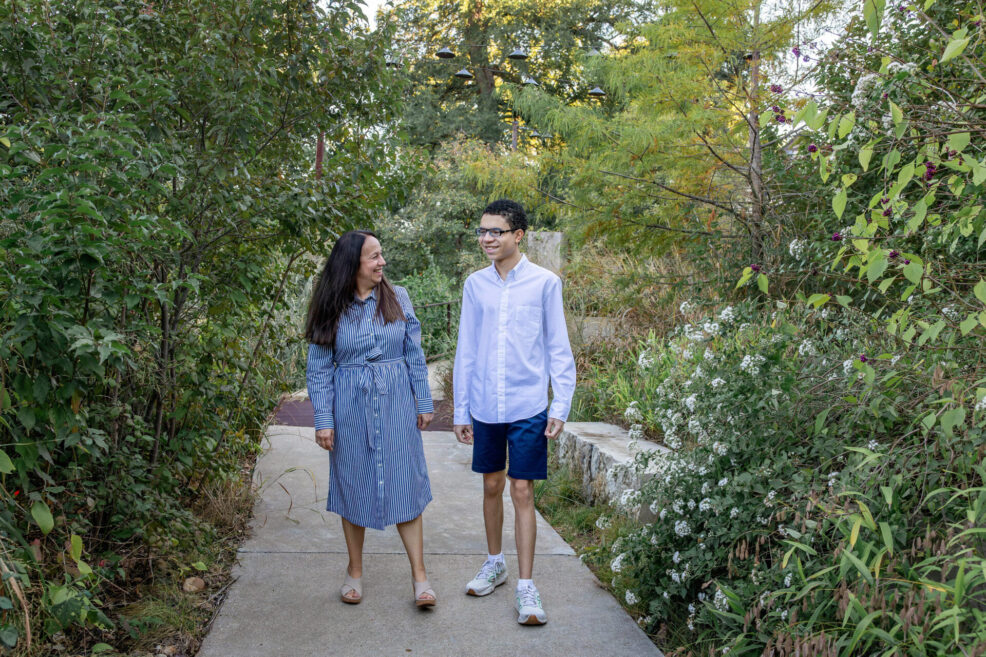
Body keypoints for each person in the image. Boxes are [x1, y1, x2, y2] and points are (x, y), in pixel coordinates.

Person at [453, 199, 576, 625]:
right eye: (482, 231)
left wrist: (560, 404)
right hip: (486, 403)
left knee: (521, 490)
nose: (487, 238)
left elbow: (558, 347)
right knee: (491, 486)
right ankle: (495, 563)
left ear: (517, 235)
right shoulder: (475, 285)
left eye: (496, 232)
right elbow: (466, 349)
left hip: (527, 405)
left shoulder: (545, 283)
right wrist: (461, 410)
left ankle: (526, 587)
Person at [305, 230, 437, 607]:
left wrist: (423, 400)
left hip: (395, 399)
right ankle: (355, 572)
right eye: (374, 257)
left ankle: (421, 578)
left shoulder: (398, 297)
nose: (382, 263)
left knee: (405, 484)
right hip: (349, 405)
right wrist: (324, 418)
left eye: (382, 255)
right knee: (354, 485)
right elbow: (318, 369)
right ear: (353, 264)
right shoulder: (331, 304)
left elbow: (415, 352)